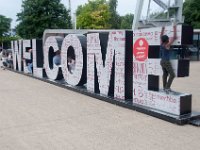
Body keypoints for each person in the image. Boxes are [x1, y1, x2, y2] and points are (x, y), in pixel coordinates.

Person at [160, 25, 177, 94]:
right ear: (167, 40)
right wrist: (174, 28)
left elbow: (161, 36)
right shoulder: (167, 45)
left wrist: (163, 29)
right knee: (172, 75)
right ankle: (167, 87)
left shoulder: (161, 44)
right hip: (166, 61)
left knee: (165, 74)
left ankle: (164, 87)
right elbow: (174, 37)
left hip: (162, 61)